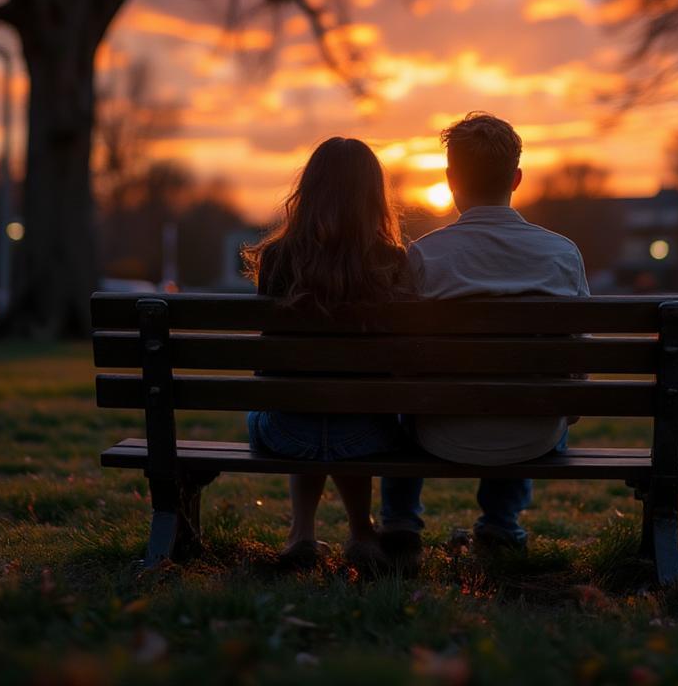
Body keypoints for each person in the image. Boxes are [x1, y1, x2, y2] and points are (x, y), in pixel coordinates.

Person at [381, 112, 589, 561]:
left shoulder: (424, 256)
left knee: (401, 398)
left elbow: (398, 361)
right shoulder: (562, 253)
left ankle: (400, 522)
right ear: (516, 178)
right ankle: (500, 524)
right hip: (533, 433)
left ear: (451, 178)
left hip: (439, 430)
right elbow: (578, 357)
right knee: (526, 396)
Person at [244, 137, 409, 569]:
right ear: (374, 196)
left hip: (286, 432)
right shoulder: (391, 261)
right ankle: (360, 532)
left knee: (303, 402)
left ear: (308, 191)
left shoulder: (279, 258)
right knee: (350, 410)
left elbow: (269, 366)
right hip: (367, 434)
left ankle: (301, 534)